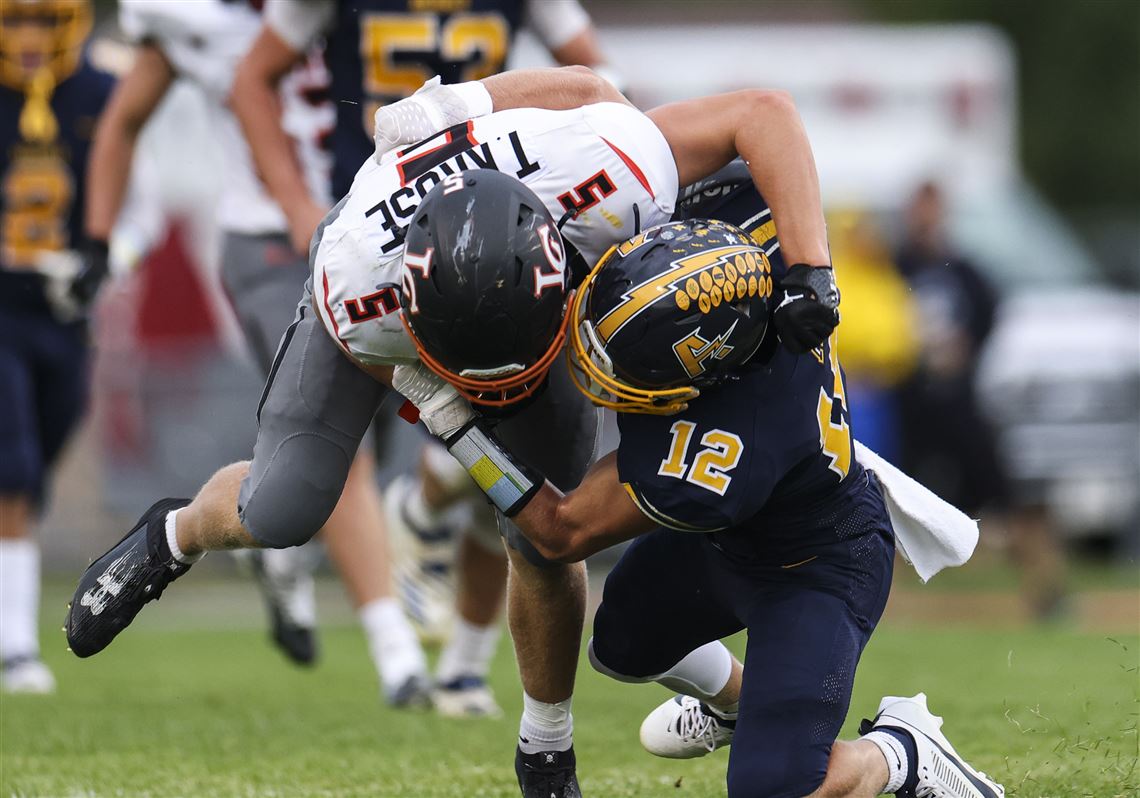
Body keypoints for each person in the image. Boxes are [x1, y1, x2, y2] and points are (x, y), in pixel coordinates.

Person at [65, 69, 841, 796]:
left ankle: (545, 743)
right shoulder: (360, 291)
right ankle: (174, 534)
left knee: (547, 537)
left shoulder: (609, 175)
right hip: (392, 308)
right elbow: (375, 359)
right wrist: (443, 403)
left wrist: (810, 272)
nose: (499, 390)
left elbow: (717, 107)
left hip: (533, 277)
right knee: (284, 506)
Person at [394, 198, 1005, 798]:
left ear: (697, 374)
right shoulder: (748, 258)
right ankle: (743, 708)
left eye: (621, 367)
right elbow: (761, 123)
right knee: (619, 646)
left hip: (818, 567)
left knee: (777, 789)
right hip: (736, 538)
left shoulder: (723, 449)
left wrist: (456, 428)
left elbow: (559, 532)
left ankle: (901, 752)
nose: (596, 369)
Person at [230, 0, 616, 715]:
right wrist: (295, 206)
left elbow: (596, 71)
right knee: (343, 448)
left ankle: (461, 651)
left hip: (498, 233)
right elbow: (254, 76)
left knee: (509, 451)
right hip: (384, 240)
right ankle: (410, 627)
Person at [83, 0, 431, 703]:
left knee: (400, 438)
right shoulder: (191, 19)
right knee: (340, 443)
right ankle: (399, 656)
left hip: (381, 234)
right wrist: (98, 240)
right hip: (275, 241)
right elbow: (122, 121)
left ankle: (273, 539)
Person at [0, 0, 113, 694]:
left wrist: (107, 258)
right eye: (16, 20)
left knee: (35, 464)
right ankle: (14, 644)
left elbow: (143, 195)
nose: (30, 37)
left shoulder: (102, 92)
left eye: (45, 18)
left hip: (64, 312)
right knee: (10, 465)